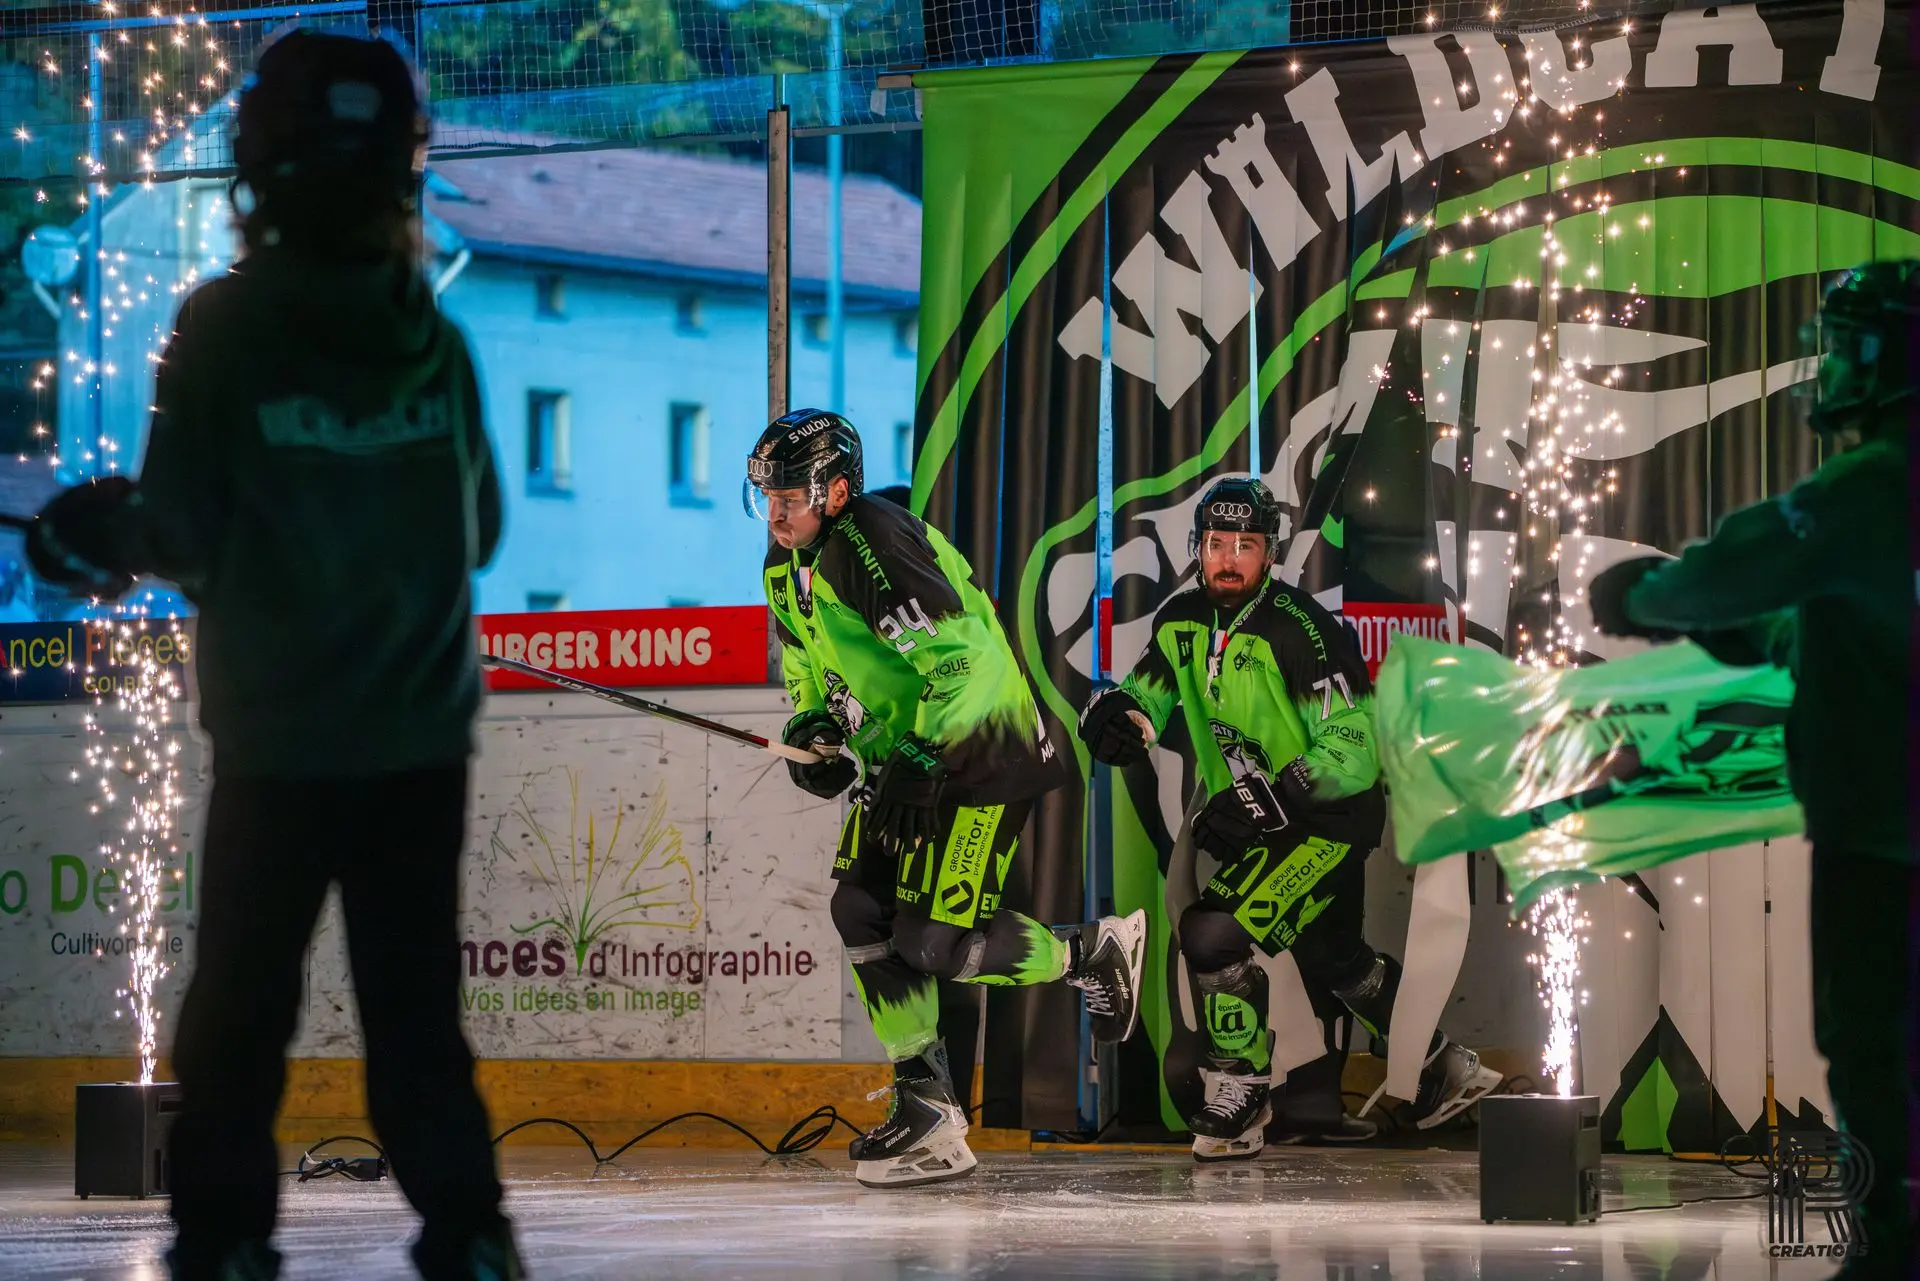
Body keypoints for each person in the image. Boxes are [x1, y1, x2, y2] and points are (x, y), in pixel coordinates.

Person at [26, 29, 519, 1281]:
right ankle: (471, 1236)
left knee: (240, 1014)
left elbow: (183, 533)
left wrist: (98, 534)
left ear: (262, 165)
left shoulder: (225, 327)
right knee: (417, 1020)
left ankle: (226, 1242)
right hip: (420, 745)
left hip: (284, 743)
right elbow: (480, 531)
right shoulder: (437, 341)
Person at [1590, 260, 1915, 1280]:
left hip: (1885, 832)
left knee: (1875, 1050)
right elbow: (1851, 625)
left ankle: (1893, 1250)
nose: (1835, 368)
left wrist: (1645, 595)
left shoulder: (1874, 483)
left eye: (1850, 347)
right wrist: (1754, 633)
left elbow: (1734, 566)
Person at [747, 409, 1148, 1188]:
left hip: (982, 751)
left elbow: (966, 664)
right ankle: (927, 1105)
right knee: (859, 909)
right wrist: (813, 725)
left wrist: (922, 756)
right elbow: (805, 664)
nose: (775, 512)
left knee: (933, 942)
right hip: (911, 756)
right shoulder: (783, 565)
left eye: (789, 496)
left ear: (835, 491)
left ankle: (1091, 951)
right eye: (767, 496)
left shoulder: (873, 543)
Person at [1076, 477, 1500, 1161]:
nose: (1229, 559)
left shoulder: (1303, 629)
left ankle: (1243, 1089)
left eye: (1245, 545)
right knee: (1336, 958)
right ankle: (1444, 1065)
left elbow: (1354, 748)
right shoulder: (1180, 621)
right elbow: (1146, 696)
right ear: (1197, 547)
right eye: (1217, 543)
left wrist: (1260, 799)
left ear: (1269, 553)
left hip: (1328, 820)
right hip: (1265, 822)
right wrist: (1116, 716)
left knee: (1211, 932)